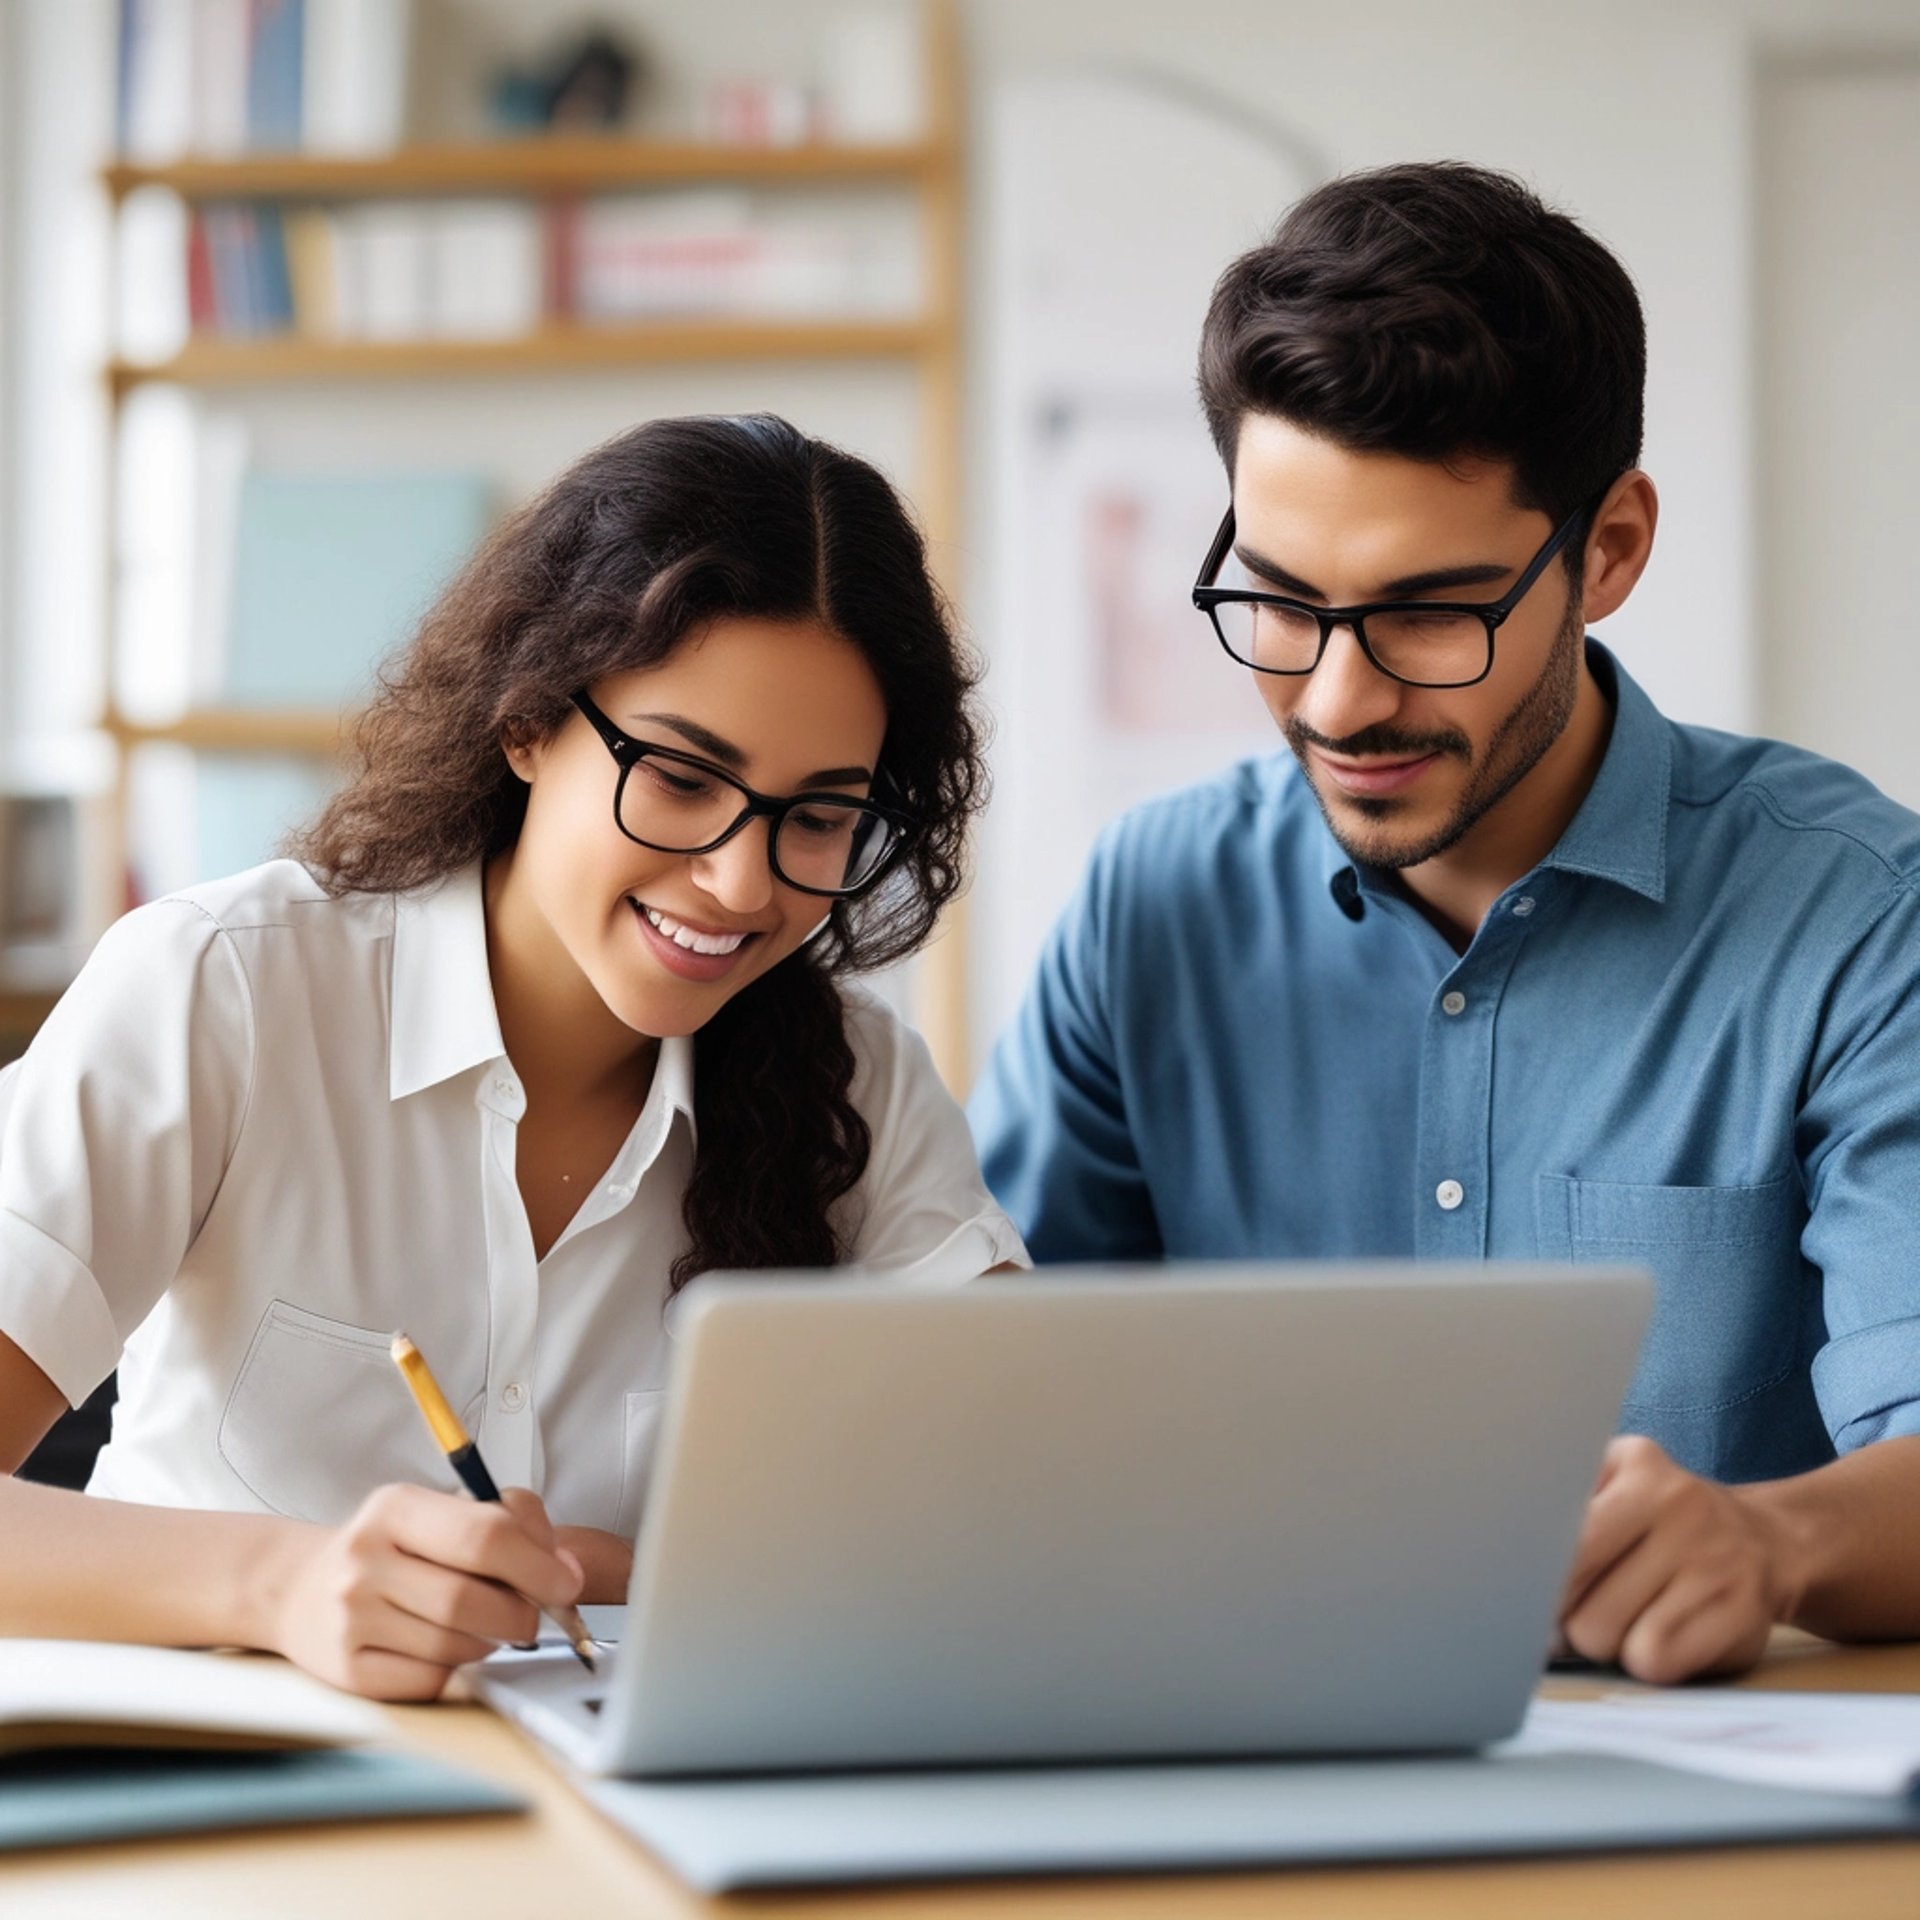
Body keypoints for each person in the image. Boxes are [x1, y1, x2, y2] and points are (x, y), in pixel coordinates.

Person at [970, 163, 1920, 1686]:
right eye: (1280, 602)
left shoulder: (1861, 922)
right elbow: (969, 1413)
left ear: (1607, 551)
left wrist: (1774, 1541)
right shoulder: (1148, 911)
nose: (1339, 701)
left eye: (1430, 613)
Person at [0, 413, 1026, 1699]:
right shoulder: (227, 987)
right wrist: (282, 1585)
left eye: (819, 817)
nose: (738, 879)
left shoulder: (855, 1081)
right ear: (529, 720)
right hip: (230, 1809)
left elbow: (1014, 1528)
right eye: (680, 778)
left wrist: (618, 1569)